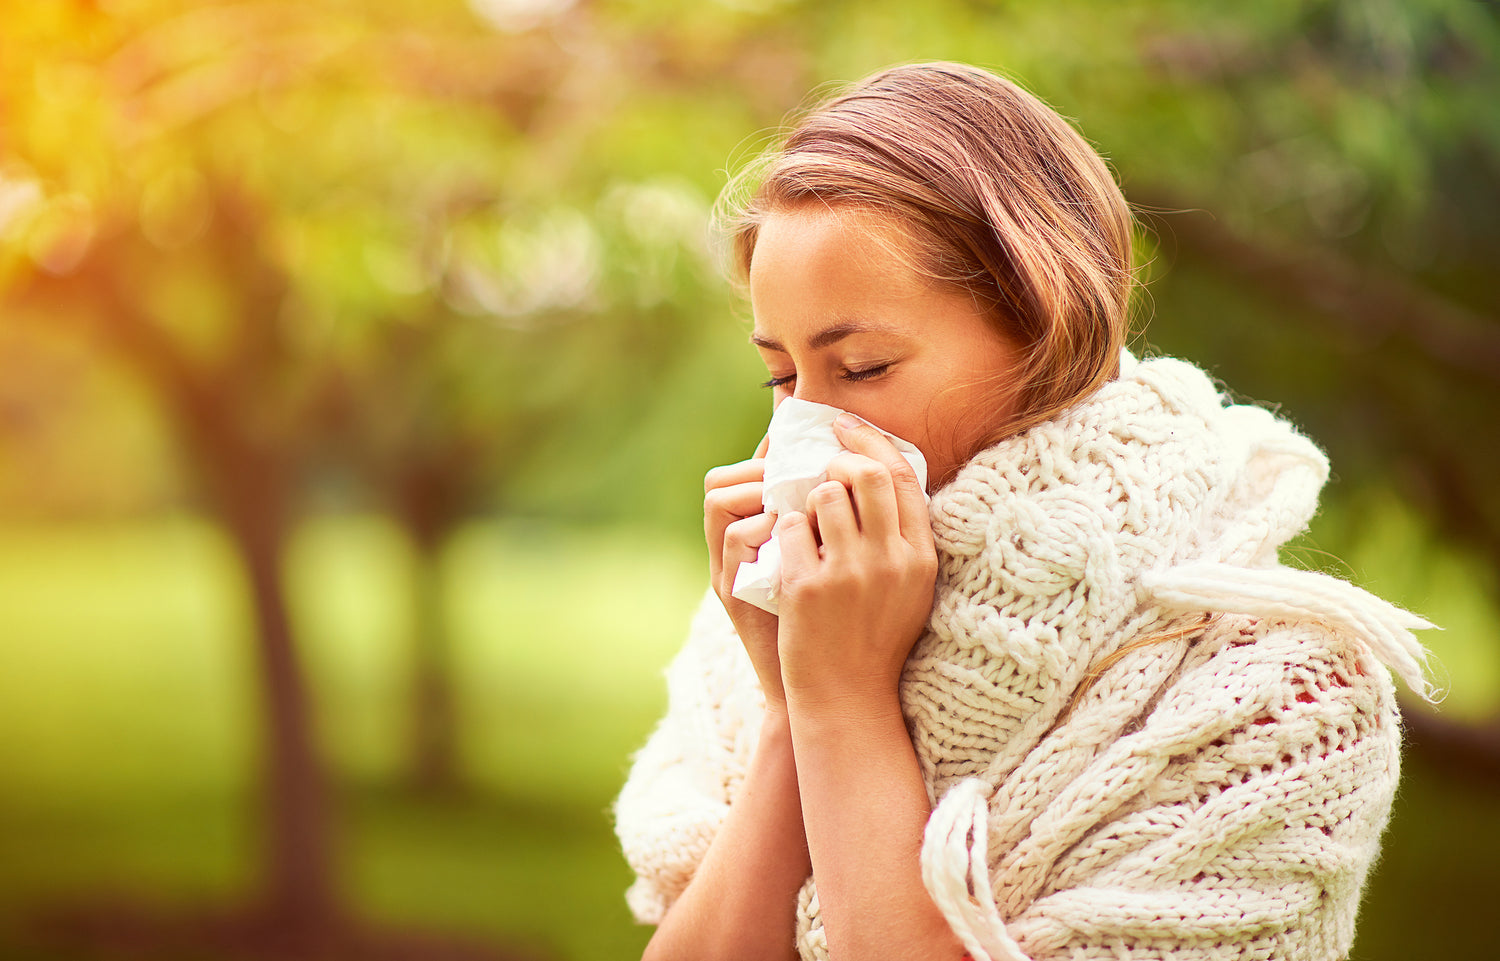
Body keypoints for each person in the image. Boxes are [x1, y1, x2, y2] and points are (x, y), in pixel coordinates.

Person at [614, 61, 1435, 961]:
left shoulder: (1280, 694)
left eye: (861, 368)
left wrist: (847, 705)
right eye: (781, 375)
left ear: (1046, 328)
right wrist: (791, 705)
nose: (802, 432)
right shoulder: (768, 627)